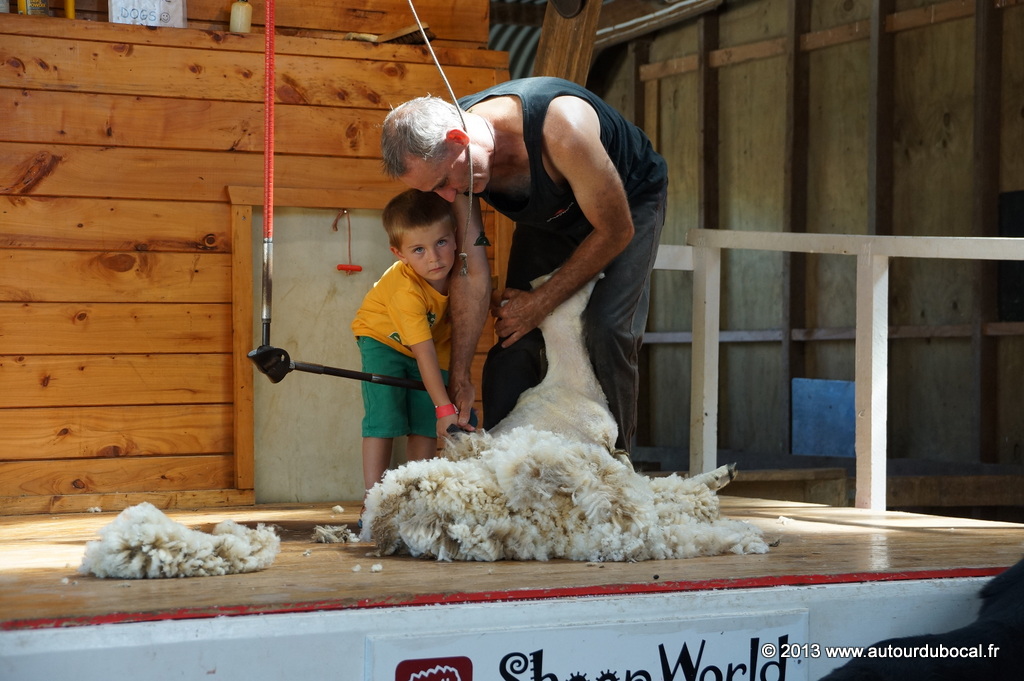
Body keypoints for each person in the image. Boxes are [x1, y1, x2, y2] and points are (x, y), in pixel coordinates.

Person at [380, 76, 668, 454]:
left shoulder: (562, 129)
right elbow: (471, 268)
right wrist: (461, 374)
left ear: (459, 138)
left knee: (607, 328)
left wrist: (541, 302)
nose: (448, 196)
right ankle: (503, 465)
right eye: (434, 189)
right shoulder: (453, 164)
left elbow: (615, 230)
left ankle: (616, 466)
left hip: (627, 199)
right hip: (549, 210)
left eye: (445, 181)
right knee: (513, 334)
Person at [351, 188, 460, 494]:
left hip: (432, 342)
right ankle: (374, 499)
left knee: (426, 421)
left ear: (455, 237)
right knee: (384, 418)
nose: (434, 258)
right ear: (399, 254)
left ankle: (416, 496)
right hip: (383, 341)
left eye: (441, 242)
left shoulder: (463, 273)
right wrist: (445, 408)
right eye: (419, 250)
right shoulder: (406, 292)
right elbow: (423, 355)